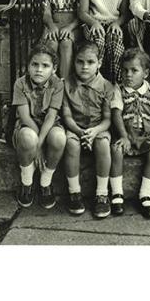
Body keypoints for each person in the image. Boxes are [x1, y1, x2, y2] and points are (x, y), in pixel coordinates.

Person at [61, 41, 114, 218]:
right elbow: (67, 116)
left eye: (90, 62)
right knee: (71, 145)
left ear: (99, 63)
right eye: (80, 62)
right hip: (75, 128)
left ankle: (101, 194)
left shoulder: (106, 86)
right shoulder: (66, 84)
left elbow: (107, 119)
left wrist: (95, 131)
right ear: (74, 62)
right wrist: (79, 132)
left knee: (103, 144)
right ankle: (74, 192)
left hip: (98, 128)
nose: (84, 67)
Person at [11, 43, 66, 209]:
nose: (39, 70)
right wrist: (37, 149)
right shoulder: (20, 84)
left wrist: (40, 145)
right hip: (28, 125)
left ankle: (45, 182)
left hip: (49, 126)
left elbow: (51, 116)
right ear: (28, 66)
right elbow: (25, 117)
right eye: (35, 64)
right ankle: (26, 183)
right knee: (28, 138)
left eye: (45, 65)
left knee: (59, 138)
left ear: (54, 69)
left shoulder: (57, 84)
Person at [109, 49, 150, 218]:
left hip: (145, 136)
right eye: (125, 70)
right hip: (125, 134)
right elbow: (116, 114)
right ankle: (117, 194)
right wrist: (123, 136)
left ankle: (145, 195)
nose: (128, 75)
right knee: (116, 150)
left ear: (145, 73)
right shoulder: (118, 89)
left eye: (134, 70)